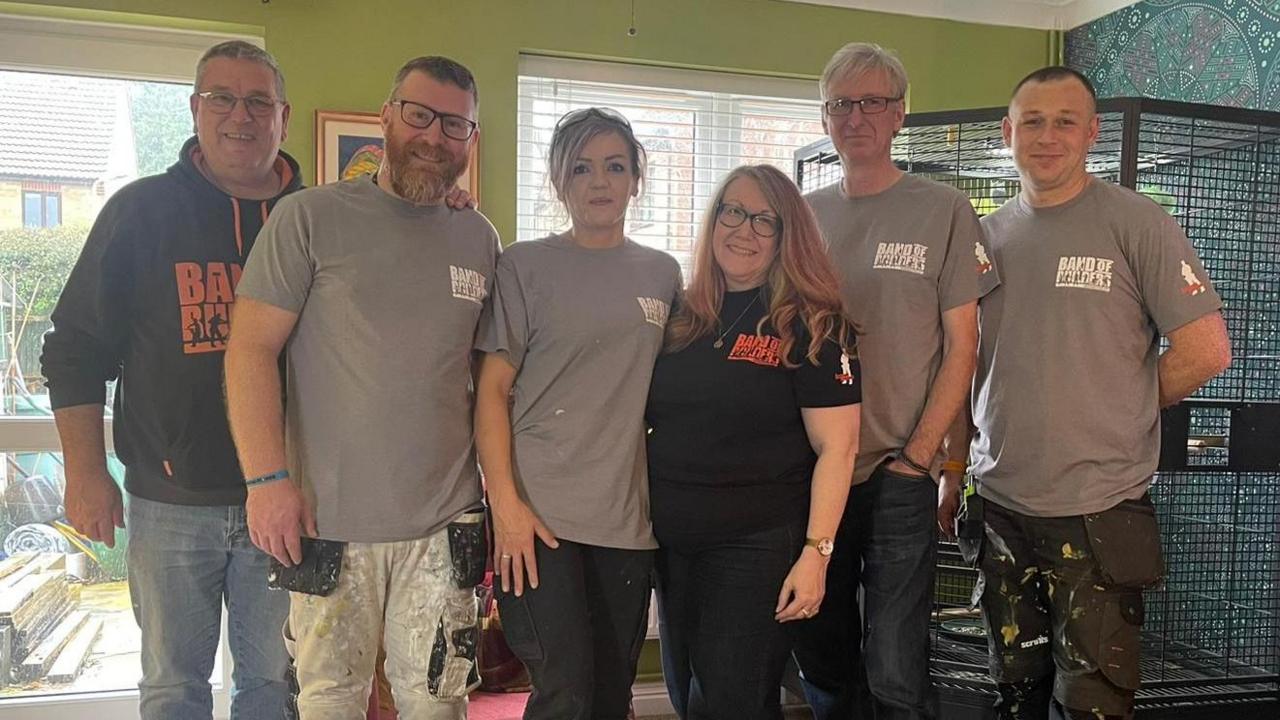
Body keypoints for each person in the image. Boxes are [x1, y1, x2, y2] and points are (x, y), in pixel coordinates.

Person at [224, 55, 496, 719]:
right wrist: (265, 483)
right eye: (419, 114)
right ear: (387, 116)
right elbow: (251, 351)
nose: (434, 136)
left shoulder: (478, 236)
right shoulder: (309, 219)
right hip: (327, 526)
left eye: (454, 125)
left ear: (470, 139)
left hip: (444, 524)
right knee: (330, 705)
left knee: (438, 707)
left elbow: (490, 379)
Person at [41, 40, 298, 720]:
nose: (240, 116)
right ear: (194, 108)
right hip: (170, 505)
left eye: (258, 102)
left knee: (273, 687)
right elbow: (74, 349)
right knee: (172, 688)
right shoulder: (140, 212)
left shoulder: (316, 219)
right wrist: (86, 473)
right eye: (222, 98)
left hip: (286, 503)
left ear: (283, 117)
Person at [967, 66, 1231, 720]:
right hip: (999, 503)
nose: (1047, 135)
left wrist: (1129, 400)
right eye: (1032, 121)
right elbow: (968, 365)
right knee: (1015, 688)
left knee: (1092, 703)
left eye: (1064, 121)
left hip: (1098, 513)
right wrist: (952, 471)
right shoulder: (985, 239)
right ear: (1008, 133)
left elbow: (1207, 351)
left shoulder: (1137, 223)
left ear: (1092, 133)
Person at [792, 42, 1000, 720]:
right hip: (816, 470)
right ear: (825, 118)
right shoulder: (803, 216)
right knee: (822, 649)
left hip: (897, 472)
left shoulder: (943, 211)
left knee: (894, 664)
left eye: (872, 102)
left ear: (899, 115)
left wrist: (925, 460)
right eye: (841, 105)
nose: (856, 117)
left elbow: (962, 348)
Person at [474, 107, 681, 720]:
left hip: (625, 519)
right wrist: (505, 508)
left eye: (615, 167)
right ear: (560, 181)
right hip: (539, 520)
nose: (600, 182)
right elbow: (491, 393)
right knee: (562, 692)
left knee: (612, 693)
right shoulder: (524, 264)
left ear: (636, 179)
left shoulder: (663, 275)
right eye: (582, 168)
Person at [646, 164, 862, 720]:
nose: (744, 230)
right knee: (686, 693)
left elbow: (838, 449)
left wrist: (816, 555)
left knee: (734, 702)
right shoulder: (680, 313)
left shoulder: (813, 325)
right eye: (733, 212)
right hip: (672, 544)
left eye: (764, 220)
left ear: (788, 235)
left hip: (756, 543)